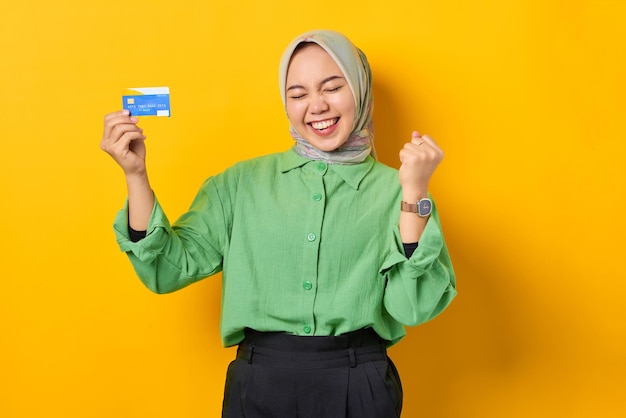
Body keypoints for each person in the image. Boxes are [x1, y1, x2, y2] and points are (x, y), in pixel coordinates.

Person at [101, 29, 456, 418]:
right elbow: (164, 270)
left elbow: (413, 306)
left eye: (332, 87)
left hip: (360, 384)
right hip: (259, 386)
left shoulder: (399, 189)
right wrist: (135, 175)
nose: (316, 106)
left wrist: (415, 191)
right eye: (298, 94)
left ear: (359, 89)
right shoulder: (239, 184)